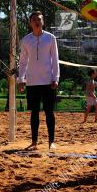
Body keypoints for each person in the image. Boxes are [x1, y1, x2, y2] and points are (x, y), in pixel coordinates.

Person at [17, 11, 60, 150]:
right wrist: (21, 79)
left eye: (39, 19)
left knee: (49, 112)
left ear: (43, 22)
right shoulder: (26, 40)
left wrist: (56, 78)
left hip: (48, 80)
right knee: (34, 113)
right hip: (32, 82)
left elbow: (55, 59)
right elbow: (22, 62)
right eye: (34, 19)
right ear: (30, 23)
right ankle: (34, 142)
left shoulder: (50, 38)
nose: (37, 21)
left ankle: (51, 142)